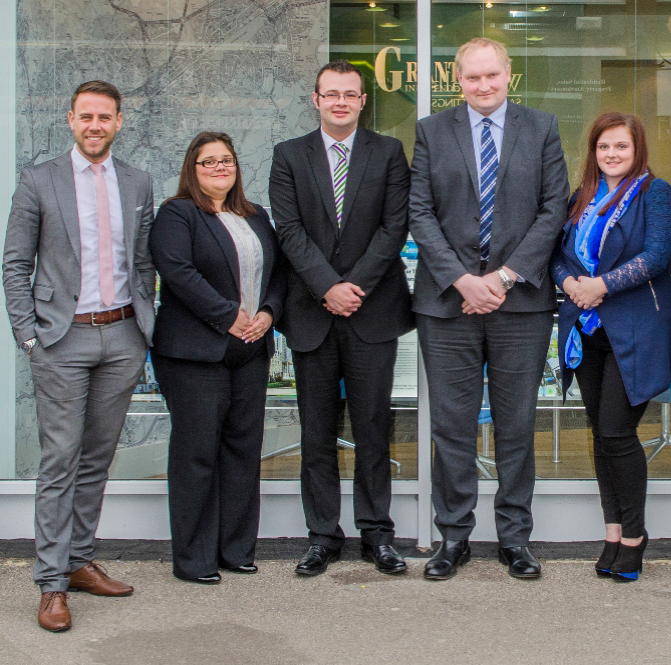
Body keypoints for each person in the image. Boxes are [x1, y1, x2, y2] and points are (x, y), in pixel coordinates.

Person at [409, 38, 568, 580]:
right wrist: (461, 280)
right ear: (458, 81)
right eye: (472, 78)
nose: (483, 86)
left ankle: (514, 538)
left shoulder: (542, 127)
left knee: (516, 425)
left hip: (519, 302)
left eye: (491, 76)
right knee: (452, 427)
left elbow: (553, 210)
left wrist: (499, 277)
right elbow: (419, 212)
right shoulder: (432, 131)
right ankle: (452, 538)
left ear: (508, 75)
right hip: (447, 304)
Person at [3, 81, 155, 631]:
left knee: (97, 456)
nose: (95, 125)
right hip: (61, 339)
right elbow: (15, 264)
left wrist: (144, 327)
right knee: (59, 459)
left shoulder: (137, 182)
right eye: (86, 116)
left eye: (105, 117)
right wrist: (28, 336)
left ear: (119, 122)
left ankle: (78, 559)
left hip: (121, 338)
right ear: (70, 120)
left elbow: (142, 264)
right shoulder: (39, 179)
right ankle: (50, 584)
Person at [269, 60, 413, 576]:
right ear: (315, 99)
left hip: (372, 312)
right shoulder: (288, 156)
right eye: (331, 94)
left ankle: (377, 534)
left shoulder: (389, 153)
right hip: (312, 313)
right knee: (317, 432)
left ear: (362, 101)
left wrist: (354, 288)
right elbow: (288, 230)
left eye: (350, 94)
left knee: (375, 428)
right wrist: (327, 286)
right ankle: (322, 536)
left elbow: (395, 227)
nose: (340, 102)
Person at [149, 131, 284, 585]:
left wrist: (268, 313)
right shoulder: (178, 214)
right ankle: (195, 559)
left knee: (243, 451)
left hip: (250, 348)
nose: (220, 168)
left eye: (226, 160)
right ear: (193, 169)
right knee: (197, 454)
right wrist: (228, 315)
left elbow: (278, 273)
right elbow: (178, 272)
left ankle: (236, 550)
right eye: (208, 162)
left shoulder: (255, 215)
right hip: (194, 353)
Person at [550, 112, 671, 582]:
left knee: (617, 433)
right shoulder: (581, 197)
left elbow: (656, 256)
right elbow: (557, 256)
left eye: (621, 146)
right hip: (586, 331)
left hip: (636, 332)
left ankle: (635, 538)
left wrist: (599, 285)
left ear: (636, 149)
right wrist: (570, 282)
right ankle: (612, 532)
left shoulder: (655, 194)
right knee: (602, 436)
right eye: (604, 147)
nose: (611, 155)